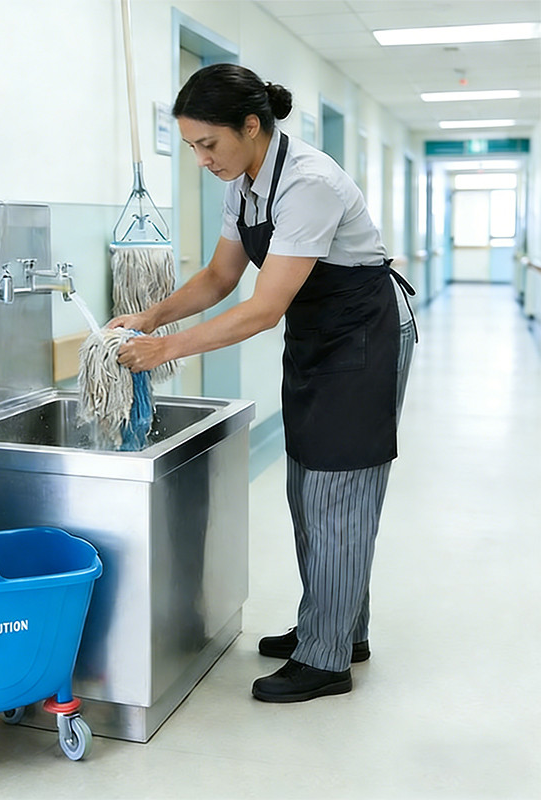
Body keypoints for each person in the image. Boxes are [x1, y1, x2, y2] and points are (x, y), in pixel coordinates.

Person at [110, 63, 417, 703]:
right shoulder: (246, 180)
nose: (200, 159)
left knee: (341, 491)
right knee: (310, 487)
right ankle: (333, 630)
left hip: (362, 338)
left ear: (252, 126)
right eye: (192, 145)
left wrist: (164, 348)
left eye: (208, 144)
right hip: (317, 340)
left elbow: (261, 308)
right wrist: (151, 314)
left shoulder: (308, 183)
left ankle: (327, 659)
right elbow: (221, 277)